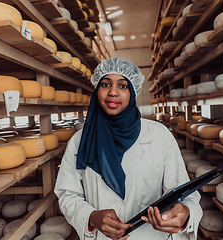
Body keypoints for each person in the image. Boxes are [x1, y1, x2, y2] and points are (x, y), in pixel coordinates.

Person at [54, 56, 202, 240]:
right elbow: (67, 194)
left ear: (133, 91)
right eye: (105, 84)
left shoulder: (159, 135)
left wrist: (185, 213)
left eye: (122, 86)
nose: (113, 92)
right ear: (97, 89)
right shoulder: (80, 140)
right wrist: (92, 217)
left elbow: (185, 193)